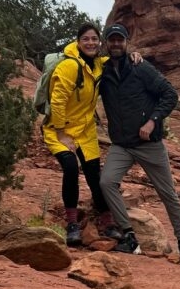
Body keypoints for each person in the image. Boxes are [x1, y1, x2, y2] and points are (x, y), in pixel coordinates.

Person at [98, 23, 180, 256]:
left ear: (127, 42)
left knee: (167, 193)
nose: (116, 44)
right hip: (122, 144)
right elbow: (75, 55)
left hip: (149, 144)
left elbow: (169, 94)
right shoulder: (103, 71)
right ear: (106, 44)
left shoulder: (141, 67)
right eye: (112, 40)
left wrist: (152, 121)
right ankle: (129, 234)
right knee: (107, 182)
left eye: (120, 40)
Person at [42, 21, 125, 247]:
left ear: (99, 43)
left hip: (86, 131)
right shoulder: (69, 66)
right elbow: (57, 101)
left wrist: (133, 55)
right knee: (70, 168)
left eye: (94, 39)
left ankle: (107, 223)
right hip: (59, 129)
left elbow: (116, 59)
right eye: (86, 39)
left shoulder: (98, 64)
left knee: (94, 176)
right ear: (78, 42)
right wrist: (62, 134)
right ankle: (72, 225)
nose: (91, 43)